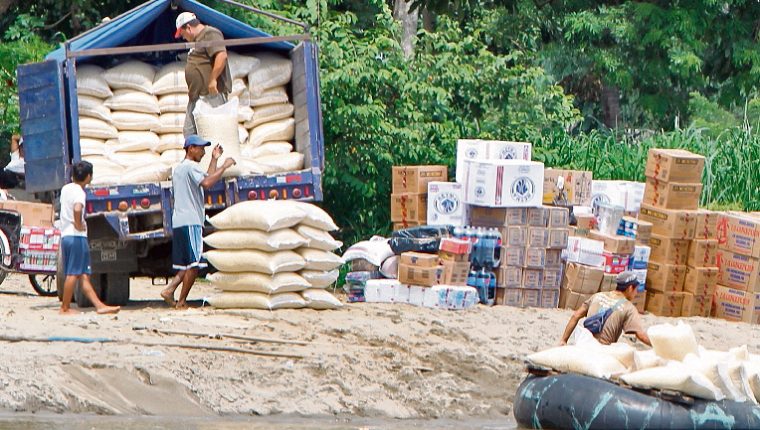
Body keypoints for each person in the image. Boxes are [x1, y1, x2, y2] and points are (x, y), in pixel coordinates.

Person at [161, 135, 235, 309]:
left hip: (180, 220)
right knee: (194, 265)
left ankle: (169, 290)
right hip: (191, 221)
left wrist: (214, 159)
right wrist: (224, 165)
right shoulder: (190, 167)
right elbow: (208, 182)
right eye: (201, 148)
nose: (203, 151)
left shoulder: (180, 169)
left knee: (187, 263)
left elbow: (207, 176)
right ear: (191, 148)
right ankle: (181, 301)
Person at [59, 161, 120, 315]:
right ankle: (64, 308)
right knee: (73, 273)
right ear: (88, 177)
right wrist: (79, 224)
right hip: (76, 236)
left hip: (66, 235)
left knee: (83, 275)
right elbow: (77, 208)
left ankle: (99, 305)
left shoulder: (66, 189)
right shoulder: (80, 192)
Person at [174, 11, 232, 137]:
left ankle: (217, 156)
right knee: (189, 133)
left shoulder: (210, 33)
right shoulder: (197, 41)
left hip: (211, 95)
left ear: (188, 28)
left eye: (182, 34)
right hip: (196, 96)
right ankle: (193, 157)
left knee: (214, 131)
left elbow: (221, 56)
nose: (183, 38)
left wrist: (213, 80)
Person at [560, 271, 651, 346]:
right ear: (630, 288)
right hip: (602, 350)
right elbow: (641, 336)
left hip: (583, 343)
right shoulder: (628, 307)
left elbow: (575, 316)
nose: (636, 293)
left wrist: (563, 340)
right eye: (636, 290)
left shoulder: (598, 296)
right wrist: (658, 346)